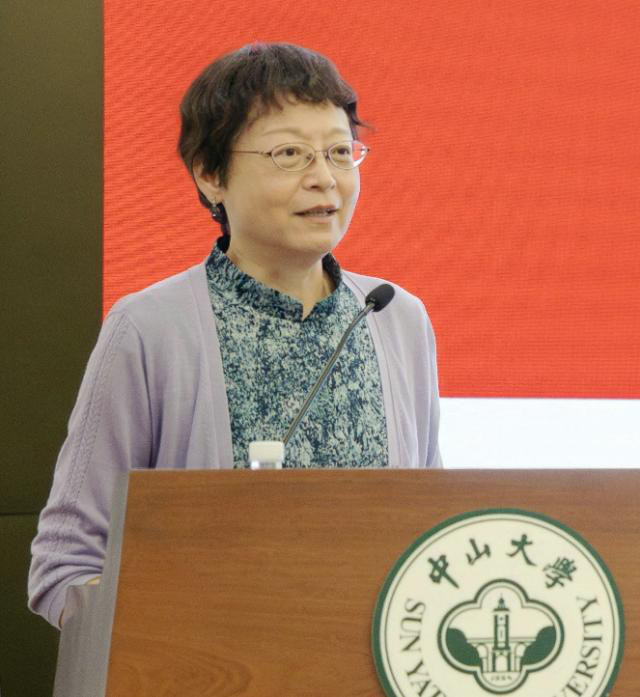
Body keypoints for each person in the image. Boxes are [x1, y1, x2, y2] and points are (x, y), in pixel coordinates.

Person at [28, 42, 442, 629]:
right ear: (210, 174)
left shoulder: (396, 319)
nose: (324, 179)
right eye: (290, 154)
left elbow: (430, 539)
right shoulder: (148, 329)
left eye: (339, 152)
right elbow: (68, 564)